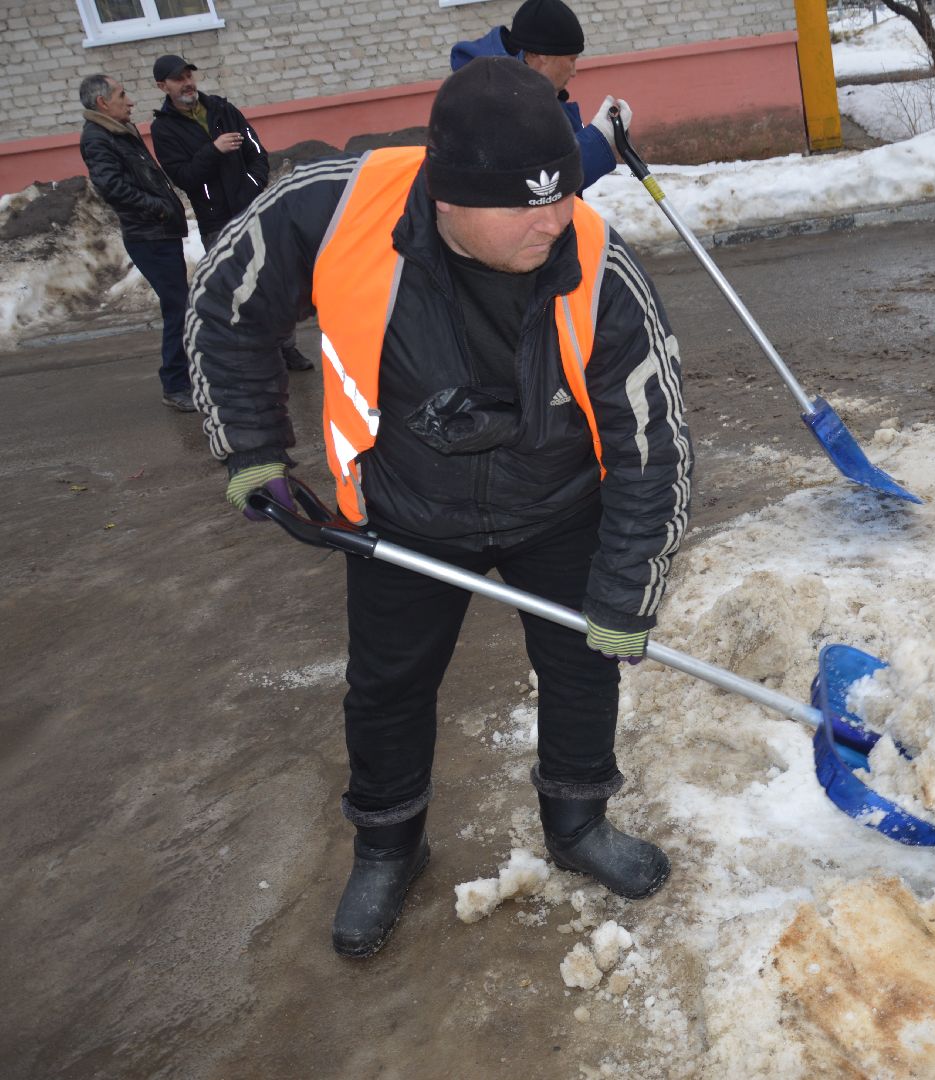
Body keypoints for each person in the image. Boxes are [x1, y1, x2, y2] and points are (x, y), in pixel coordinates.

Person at [188, 57, 691, 958]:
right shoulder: (335, 209)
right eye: (525, 205)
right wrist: (253, 451)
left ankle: (577, 824)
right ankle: (389, 846)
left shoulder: (599, 262)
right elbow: (228, 304)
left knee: (583, 666)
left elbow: (653, 446)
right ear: (448, 197)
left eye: (563, 194)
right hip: (405, 512)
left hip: (557, 503)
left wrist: (625, 592)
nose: (554, 220)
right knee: (387, 688)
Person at [149, 54, 313, 372]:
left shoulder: (223, 110)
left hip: (253, 210)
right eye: (178, 79)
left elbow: (257, 153)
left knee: (275, 282)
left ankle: (287, 347)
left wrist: (252, 185)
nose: (187, 83)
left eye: (189, 75)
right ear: (162, 86)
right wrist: (213, 150)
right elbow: (183, 177)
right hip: (216, 222)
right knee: (238, 290)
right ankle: (259, 353)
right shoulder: (164, 129)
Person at [76, 73, 194, 412]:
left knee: (180, 306)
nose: (130, 101)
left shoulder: (118, 130)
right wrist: (158, 209)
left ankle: (186, 376)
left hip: (159, 231)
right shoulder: (98, 137)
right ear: (103, 102)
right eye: (122, 95)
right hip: (148, 235)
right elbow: (111, 187)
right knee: (178, 307)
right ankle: (175, 385)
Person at [450, 0, 627, 193]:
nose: (574, 72)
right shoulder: (493, 100)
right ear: (543, 55)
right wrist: (600, 136)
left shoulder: (526, 89)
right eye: (571, 59)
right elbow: (540, 182)